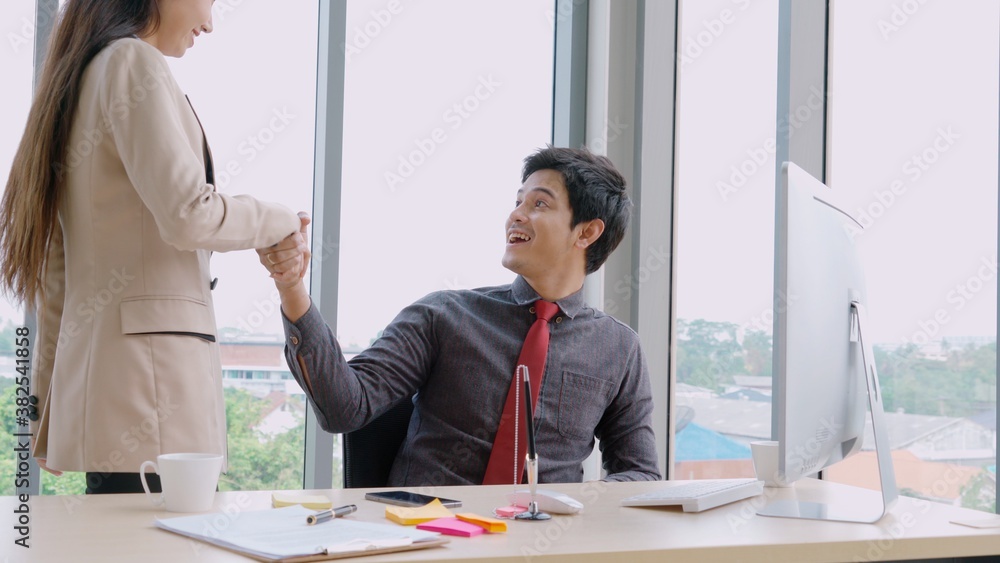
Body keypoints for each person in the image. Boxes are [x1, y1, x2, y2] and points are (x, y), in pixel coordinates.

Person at [0, 0, 306, 494]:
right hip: (151, 399)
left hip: (115, 404)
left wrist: (42, 412)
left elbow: (60, 274)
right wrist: (282, 220)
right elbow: (190, 213)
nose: (209, 21)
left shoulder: (84, 76)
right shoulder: (130, 62)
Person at [260, 146, 661, 486]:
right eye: (517, 201)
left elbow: (639, 473)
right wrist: (292, 289)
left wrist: (575, 505)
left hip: (541, 542)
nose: (516, 215)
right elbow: (344, 407)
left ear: (587, 233)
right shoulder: (443, 316)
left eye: (539, 203)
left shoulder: (618, 348)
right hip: (427, 536)